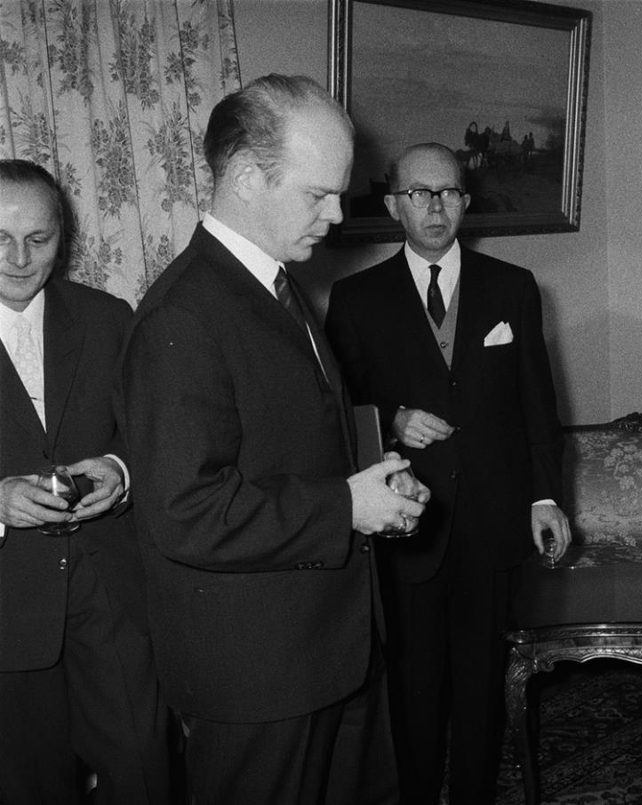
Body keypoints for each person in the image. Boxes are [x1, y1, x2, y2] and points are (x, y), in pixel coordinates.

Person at [118, 74, 425, 804]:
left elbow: (292, 438)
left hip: (331, 649)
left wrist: (375, 481)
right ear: (247, 177)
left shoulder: (274, 284)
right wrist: (346, 508)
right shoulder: (182, 315)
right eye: (319, 194)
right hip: (258, 677)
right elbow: (185, 511)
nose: (337, 215)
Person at [325, 141, 569, 804]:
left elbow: (538, 404)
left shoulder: (513, 287)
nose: (435, 207)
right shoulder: (355, 298)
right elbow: (338, 415)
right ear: (392, 206)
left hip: (493, 522)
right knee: (414, 690)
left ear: (466, 201)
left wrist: (545, 498)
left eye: (449, 193)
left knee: (483, 689)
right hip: (406, 526)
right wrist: (393, 419)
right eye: (419, 194)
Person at [0, 159, 170, 803]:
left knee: (144, 775)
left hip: (112, 597)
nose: (19, 259)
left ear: (62, 238)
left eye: (38, 239)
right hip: (8, 611)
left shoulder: (108, 317)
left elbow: (155, 434)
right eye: (0, 239)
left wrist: (120, 471)